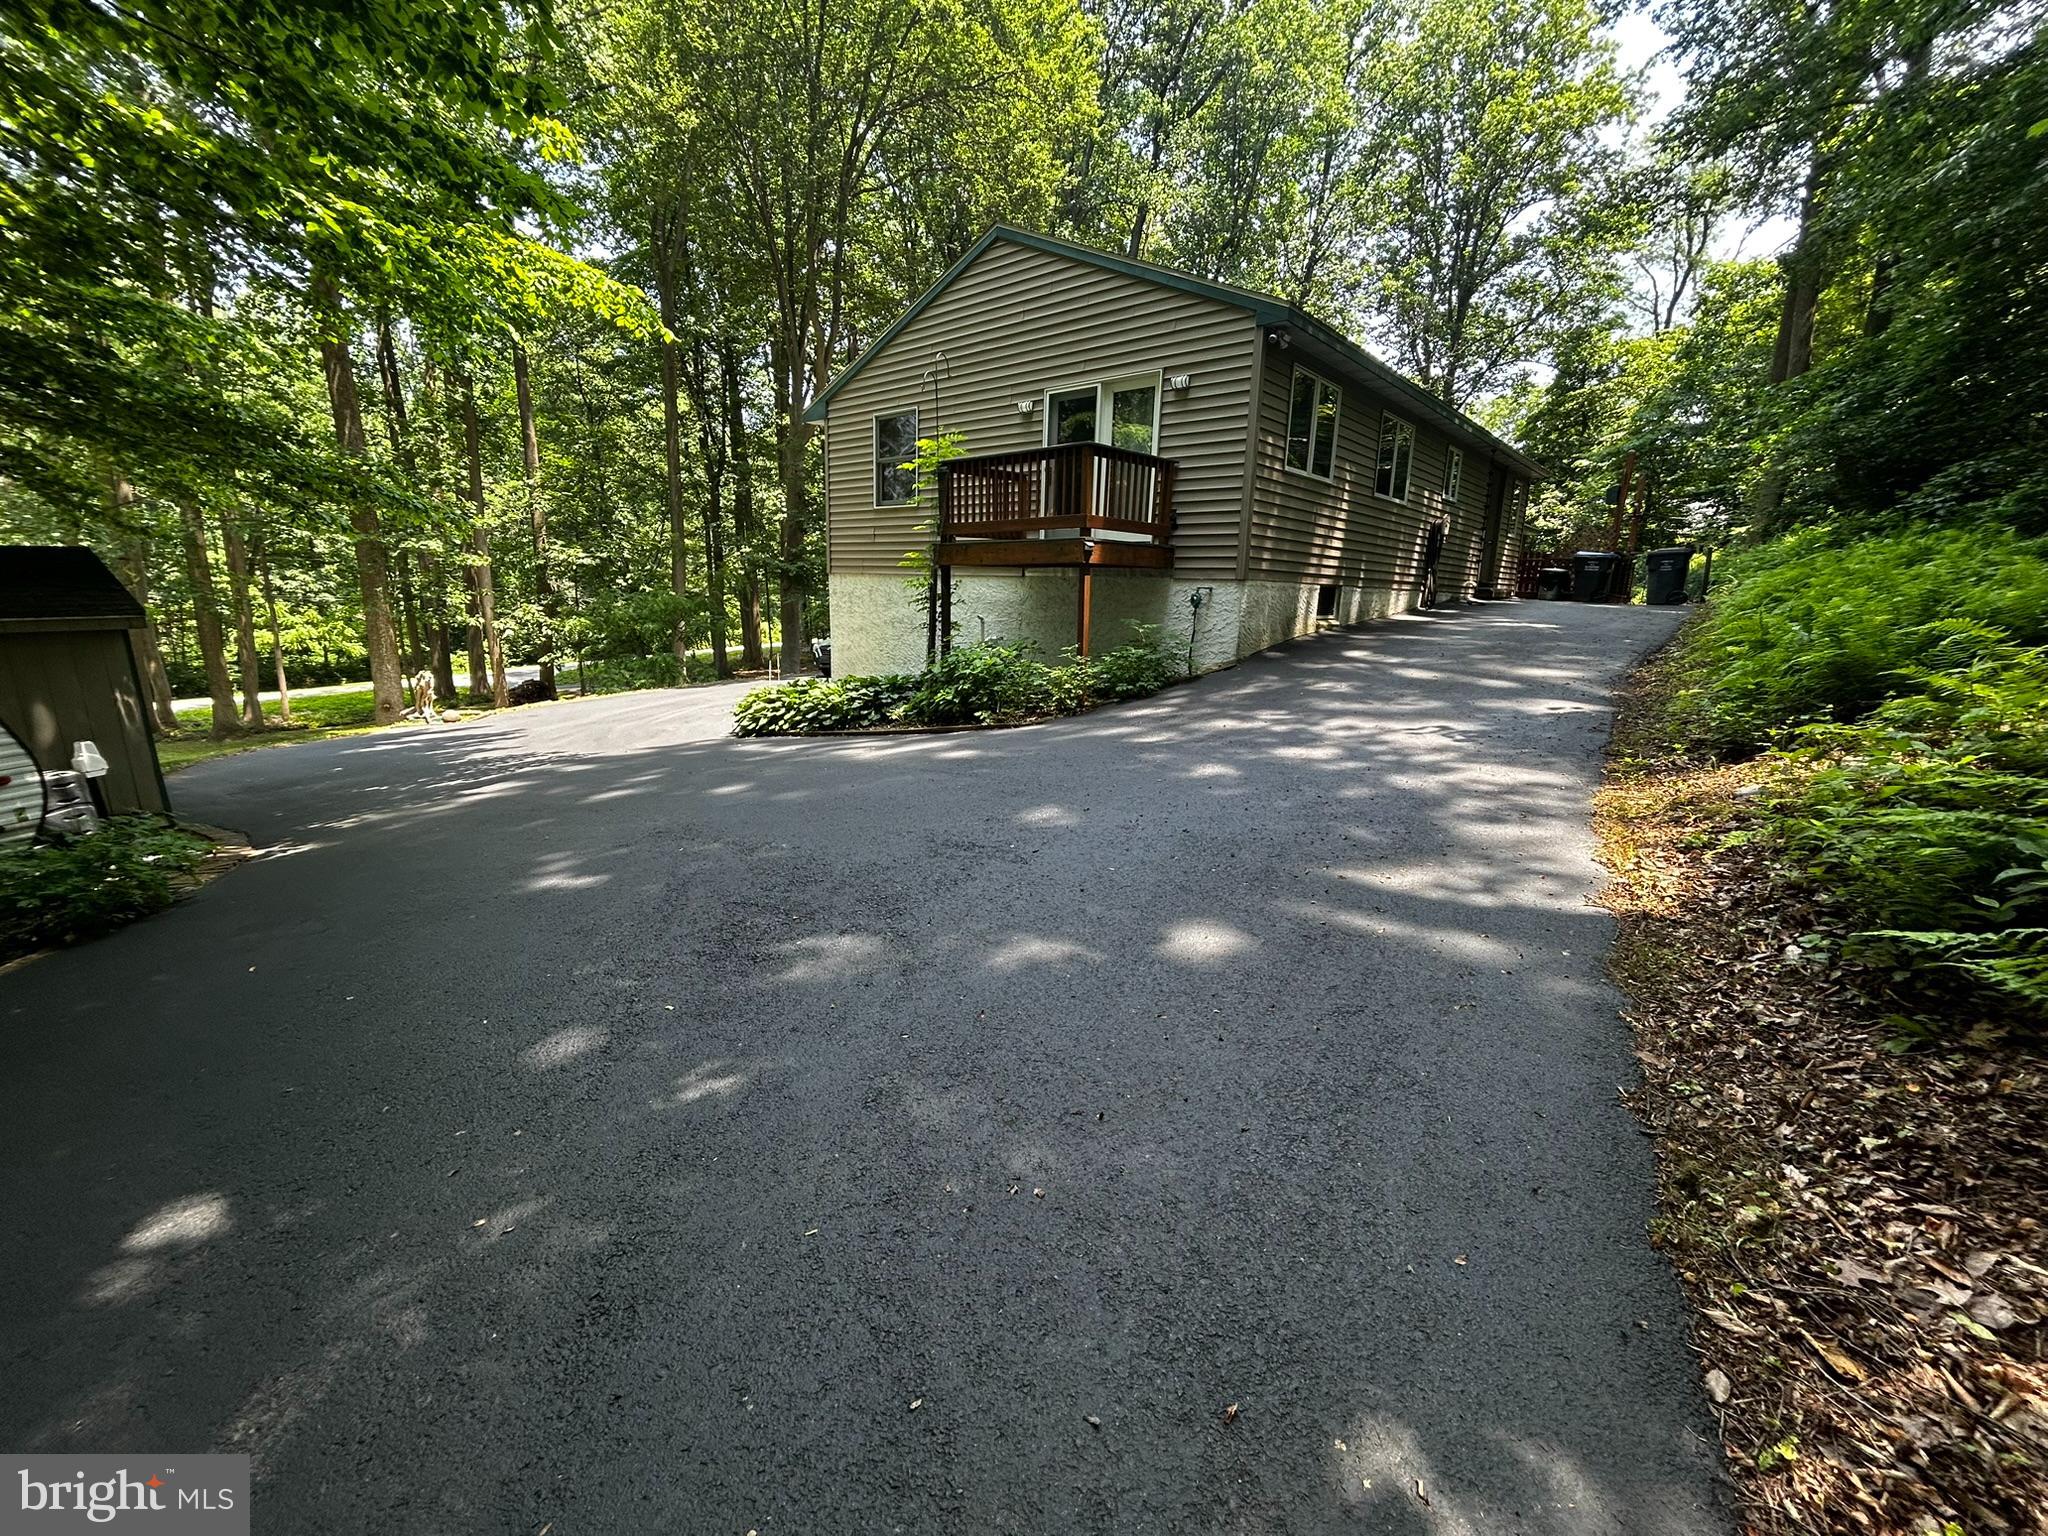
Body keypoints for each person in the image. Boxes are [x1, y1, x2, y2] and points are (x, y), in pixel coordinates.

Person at [1421, 517, 1447, 608]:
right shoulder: (1435, 528)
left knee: (1433, 569)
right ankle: (1427, 600)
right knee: (1431, 569)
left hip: (1433, 563)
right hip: (1431, 563)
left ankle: (1430, 599)